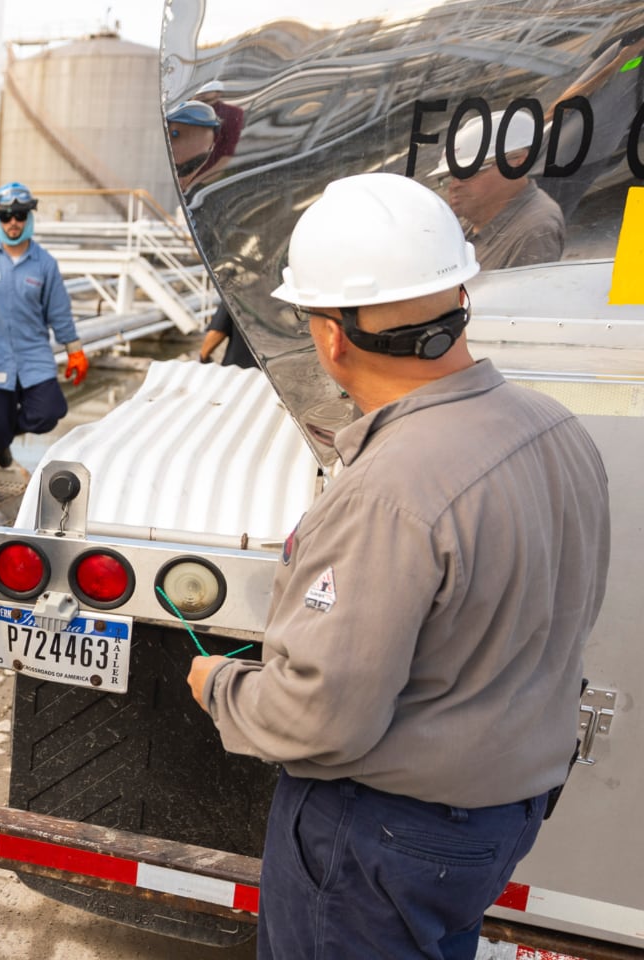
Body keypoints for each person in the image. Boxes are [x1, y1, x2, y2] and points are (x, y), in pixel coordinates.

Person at [185, 173, 610, 959]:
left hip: (384, 837)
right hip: (498, 818)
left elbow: (319, 720)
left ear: (331, 336)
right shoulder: (556, 430)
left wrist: (222, 687)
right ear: (459, 300)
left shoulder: (389, 493)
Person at [0, 182, 85, 502]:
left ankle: (2, 439)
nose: (13, 222)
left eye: (19, 215)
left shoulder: (44, 264)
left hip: (33, 357)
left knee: (49, 411)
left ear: (29, 217)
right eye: (6, 215)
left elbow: (59, 311)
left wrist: (74, 351)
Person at [441, 109, 566, 270]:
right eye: (450, 176)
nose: (455, 185)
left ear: (518, 162)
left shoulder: (534, 229)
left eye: (467, 172)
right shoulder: (480, 213)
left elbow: (522, 293)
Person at [197, 297, 258, 369]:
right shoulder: (273, 292)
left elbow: (217, 332)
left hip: (238, 369)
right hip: (271, 371)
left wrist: (203, 358)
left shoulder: (235, 292)